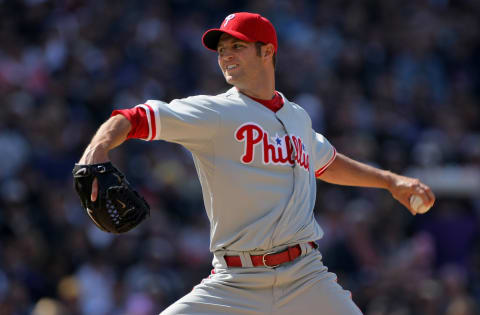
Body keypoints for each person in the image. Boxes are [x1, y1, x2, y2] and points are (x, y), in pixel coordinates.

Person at [78, 12, 435, 315]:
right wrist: (97, 148)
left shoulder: (297, 117)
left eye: (237, 46)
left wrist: (390, 181)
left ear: (268, 51)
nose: (226, 56)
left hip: (306, 277)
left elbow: (327, 163)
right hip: (235, 282)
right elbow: (135, 116)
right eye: (221, 50)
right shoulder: (215, 112)